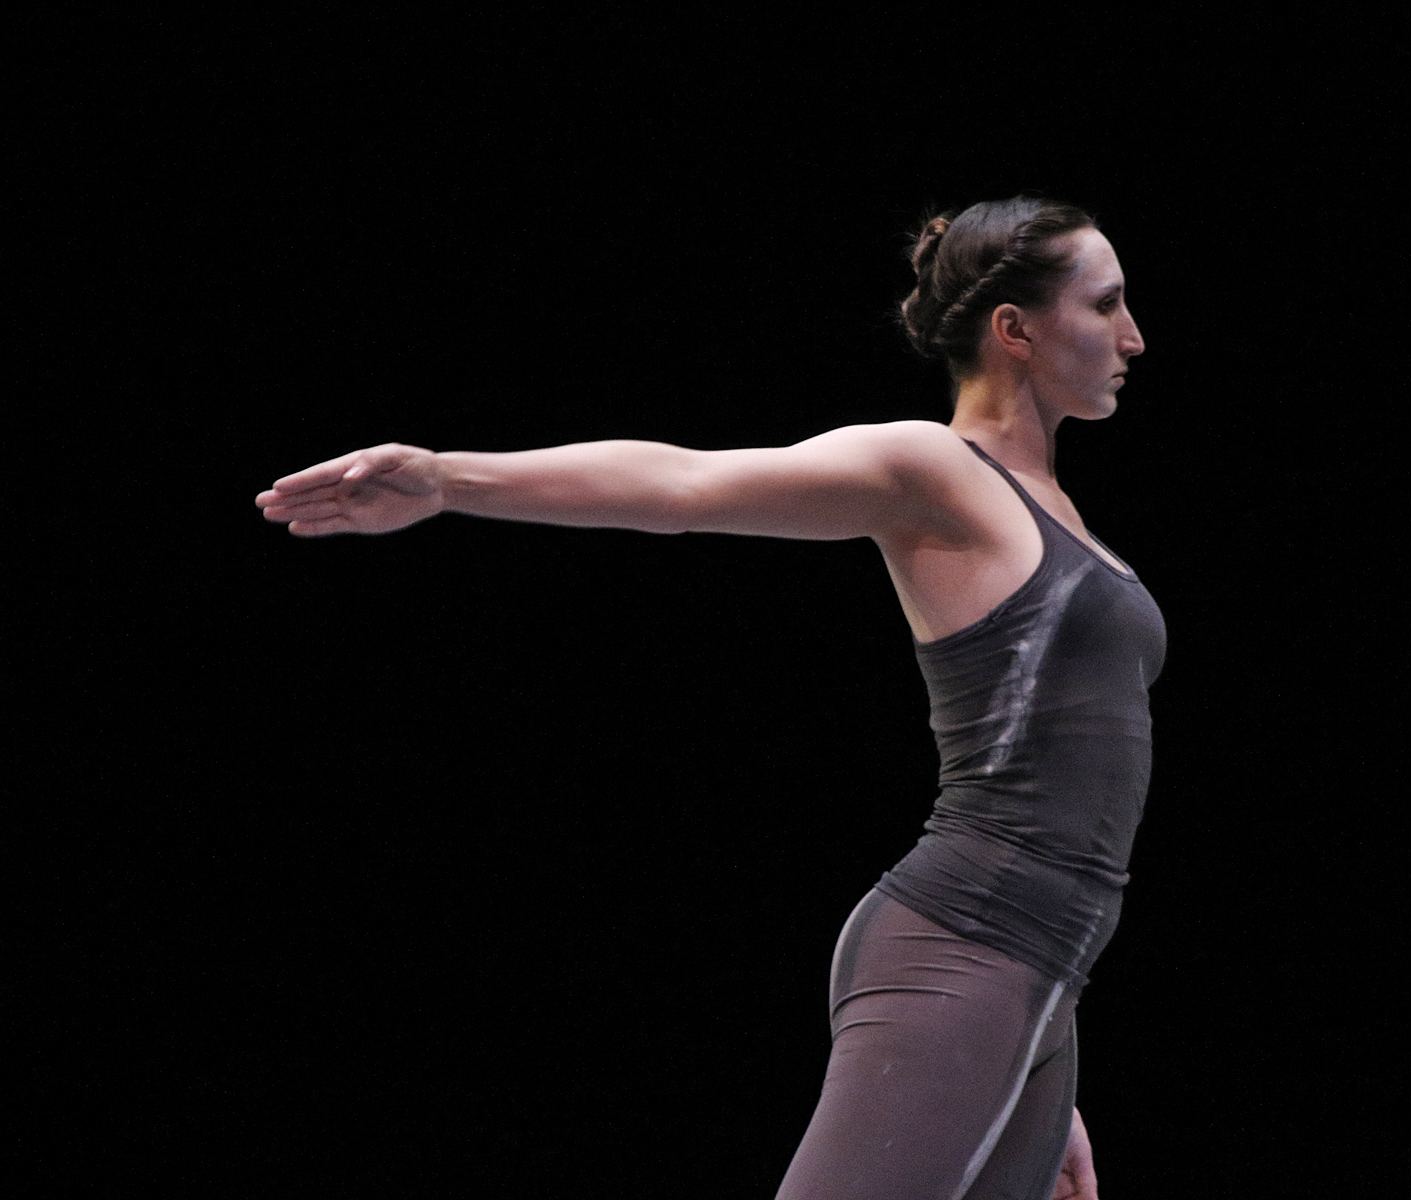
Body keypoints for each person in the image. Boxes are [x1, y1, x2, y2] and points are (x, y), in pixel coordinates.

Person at [257, 196, 1157, 1200]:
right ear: (1016, 330)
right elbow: (684, 485)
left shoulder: (1061, 511)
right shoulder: (933, 469)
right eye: (1107, 304)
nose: (1134, 336)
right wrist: (448, 477)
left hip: (1029, 982)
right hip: (967, 945)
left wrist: (1031, 1053)